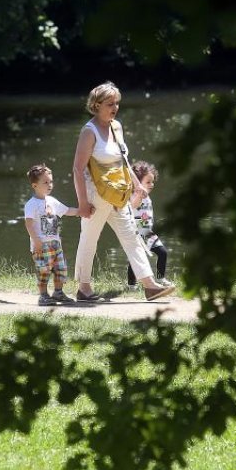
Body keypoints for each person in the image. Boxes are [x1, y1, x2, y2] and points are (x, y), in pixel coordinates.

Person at [72, 81, 175, 302]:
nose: (115, 107)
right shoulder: (88, 132)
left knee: (131, 236)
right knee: (90, 239)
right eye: (110, 103)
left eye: (117, 103)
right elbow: (77, 169)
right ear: (96, 105)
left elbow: (123, 159)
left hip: (118, 194)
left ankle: (149, 286)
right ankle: (84, 288)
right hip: (96, 196)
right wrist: (82, 204)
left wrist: (136, 185)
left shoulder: (116, 126)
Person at [24, 164, 78, 306]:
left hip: (55, 244)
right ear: (35, 185)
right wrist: (36, 241)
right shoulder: (31, 204)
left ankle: (58, 293)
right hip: (41, 245)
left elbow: (67, 211)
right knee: (43, 271)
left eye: (51, 181)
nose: (49, 185)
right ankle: (43, 296)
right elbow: (29, 224)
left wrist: (81, 211)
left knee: (61, 268)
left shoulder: (52, 201)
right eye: (45, 182)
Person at [126, 160, 172, 290]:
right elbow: (133, 205)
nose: (151, 185)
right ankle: (131, 284)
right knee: (135, 259)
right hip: (137, 233)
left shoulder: (147, 196)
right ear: (137, 182)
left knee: (162, 252)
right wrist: (139, 195)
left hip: (148, 232)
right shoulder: (135, 194)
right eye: (148, 182)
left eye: (152, 182)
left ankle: (160, 278)